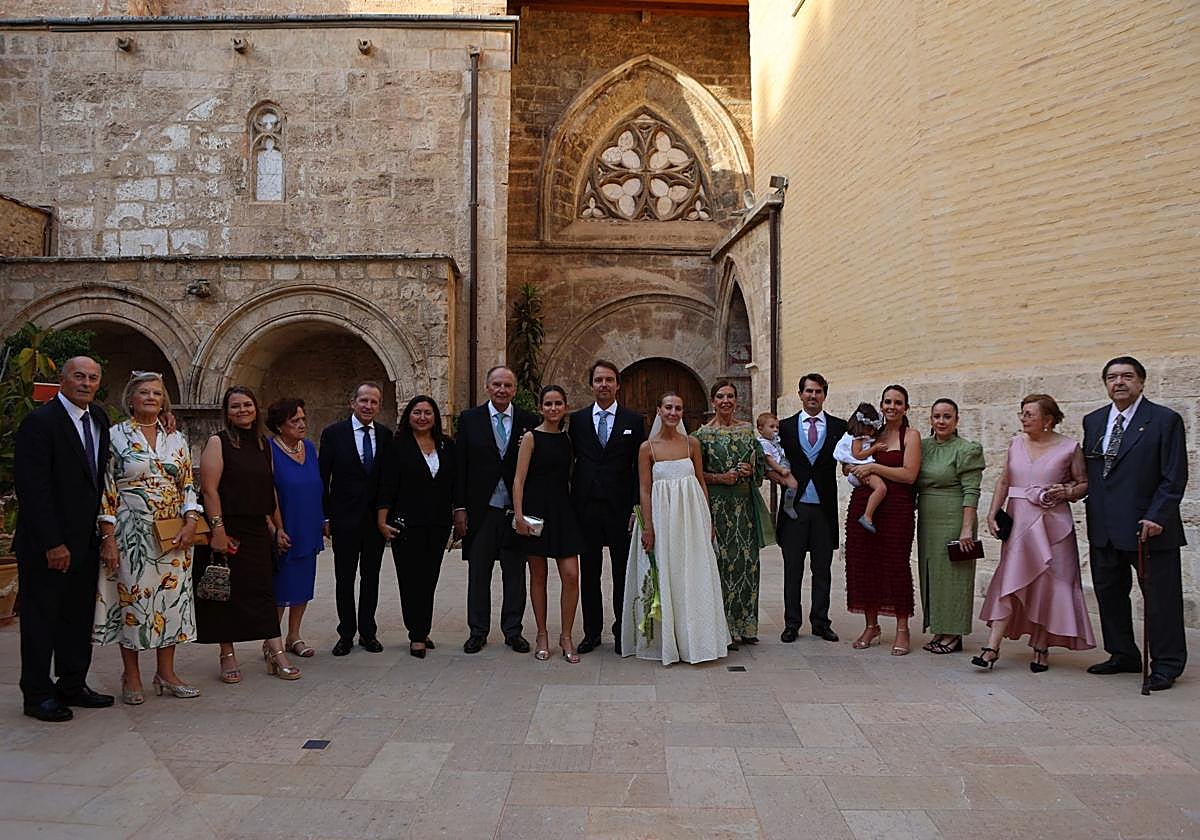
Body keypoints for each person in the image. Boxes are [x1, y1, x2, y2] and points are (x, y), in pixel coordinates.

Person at [15, 356, 114, 722]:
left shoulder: (99, 418)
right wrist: (52, 543)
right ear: (63, 379)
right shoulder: (40, 422)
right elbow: (32, 488)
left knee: (77, 618)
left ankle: (72, 684)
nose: (86, 383)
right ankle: (37, 694)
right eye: (79, 376)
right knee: (42, 620)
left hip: (85, 541)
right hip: (48, 545)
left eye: (93, 378)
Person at [93, 372, 202, 703]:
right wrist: (108, 537)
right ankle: (132, 674)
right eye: (144, 392)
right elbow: (106, 490)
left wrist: (191, 521)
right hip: (132, 534)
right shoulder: (115, 436)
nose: (151, 397)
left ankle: (166, 673)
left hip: (173, 533)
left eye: (156, 393)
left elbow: (187, 483)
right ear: (131, 399)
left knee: (170, 602)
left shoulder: (176, 437)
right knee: (133, 602)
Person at [1083, 357, 1188, 690]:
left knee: (1161, 600)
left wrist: (1158, 515)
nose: (1119, 382)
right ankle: (1122, 654)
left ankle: (1167, 664)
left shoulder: (1164, 420)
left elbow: (1174, 476)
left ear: (1141, 382)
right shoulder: (1094, 421)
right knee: (1109, 594)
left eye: (1127, 376)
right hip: (1104, 526)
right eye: (1112, 377)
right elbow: (1094, 473)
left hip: (1148, 527)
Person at [974, 394, 1095, 671]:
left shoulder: (1070, 447)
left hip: (1054, 526)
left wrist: (1067, 492)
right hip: (1019, 523)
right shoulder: (1015, 443)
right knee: (1010, 579)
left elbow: (1083, 483)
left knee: (1048, 584)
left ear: (1048, 419)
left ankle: (1041, 645)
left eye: (1029, 414)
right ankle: (992, 647)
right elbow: (1004, 480)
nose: (1023, 418)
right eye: (1022, 413)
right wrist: (992, 512)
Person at [196, 386, 301, 682]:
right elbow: (209, 489)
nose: (242, 410)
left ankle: (275, 651)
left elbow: (268, 490)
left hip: (256, 529)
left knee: (263, 592)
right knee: (225, 593)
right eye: (235, 406)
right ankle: (227, 655)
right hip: (227, 528)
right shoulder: (218, 442)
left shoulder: (263, 443)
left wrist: (276, 527)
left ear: (256, 409)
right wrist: (218, 530)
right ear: (227, 412)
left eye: (247, 405)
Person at [621, 392, 730, 664]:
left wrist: (707, 519)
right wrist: (648, 527)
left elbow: (700, 481)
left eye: (678, 408)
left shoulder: (692, 444)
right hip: (662, 519)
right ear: (659, 410)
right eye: (668, 407)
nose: (673, 413)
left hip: (691, 519)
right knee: (666, 572)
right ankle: (666, 642)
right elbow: (645, 489)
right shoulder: (647, 448)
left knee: (692, 573)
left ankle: (697, 641)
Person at [453, 366, 538, 654]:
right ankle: (478, 631)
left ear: (515, 390)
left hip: (514, 512)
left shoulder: (528, 421)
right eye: (497, 384)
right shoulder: (470, 419)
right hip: (482, 510)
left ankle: (513, 631)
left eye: (508, 385)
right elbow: (461, 466)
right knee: (479, 573)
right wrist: (460, 508)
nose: (502, 390)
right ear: (487, 387)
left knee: (515, 574)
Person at [568, 359, 645, 655]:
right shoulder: (577, 420)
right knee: (589, 573)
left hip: (620, 508)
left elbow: (640, 468)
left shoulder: (633, 421)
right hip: (586, 507)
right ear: (591, 385)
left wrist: (636, 506)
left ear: (618, 385)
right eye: (599, 380)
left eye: (609, 380)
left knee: (622, 572)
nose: (604, 385)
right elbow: (571, 462)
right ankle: (591, 632)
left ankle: (622, 630)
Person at [377, 395, 455, 659]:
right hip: (406, 524)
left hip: (438, 524)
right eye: (417, 412)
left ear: (435, 417)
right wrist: (382, 520)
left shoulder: (446, 445)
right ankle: (417, 634)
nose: (422, 417)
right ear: (408, 416)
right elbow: (387, 485)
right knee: (410, 579)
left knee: (429, 578)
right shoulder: (397, 445)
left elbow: (453, 483)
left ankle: (422, 628)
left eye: (428, 413)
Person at [844, 385, 921, 655]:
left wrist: (874, 467)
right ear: (881, 405)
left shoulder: (911, 436)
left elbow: (909, 475)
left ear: (906, 407)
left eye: (898, 402)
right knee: (864, 564)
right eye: (887, 402)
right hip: (864, 504)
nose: (892, 407)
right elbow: (850, 459)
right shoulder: (871, 432)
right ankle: (871, 625)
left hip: (897, 507)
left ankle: (902, 628)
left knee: (896, 565)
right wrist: (850, 466)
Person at [319, 381, 392, 656]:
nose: (368, 406)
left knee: (371, 578)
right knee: (345, 578)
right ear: (353, 403)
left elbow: (387, 479)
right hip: (344, 519)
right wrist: (325, 516)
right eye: (364, 400)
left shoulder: (385, 435)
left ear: (379, 406)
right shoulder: (333, 434)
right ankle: (346, 633)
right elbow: (323, 478)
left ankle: (368, 632)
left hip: (374, 522)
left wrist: (386, 514)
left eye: (374, 402)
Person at [694, 380, 769, 647]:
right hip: (716, 507)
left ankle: (746, 625)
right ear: (712, 401)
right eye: (720, 396)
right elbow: (694, 474)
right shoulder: (701, 436)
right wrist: (719, 478)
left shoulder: (747, 430)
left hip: (744, 508)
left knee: (747, 563)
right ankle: (723, 629)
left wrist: (751, 470)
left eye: (730, 396)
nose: (726, 401)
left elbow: (760, 466)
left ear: (736, 400)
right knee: (721, 565)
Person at [512, 385, 584, 662]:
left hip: (563, 512)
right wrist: (519, 516)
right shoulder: (531, 437)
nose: (553, 408)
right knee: (538, 575)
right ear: (540, 408)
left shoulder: (567, 439)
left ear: (565, 407)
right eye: (548, 404)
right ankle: (541, 634)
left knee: (571, 575)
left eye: (558, 404)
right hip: (535, 512)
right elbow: (519, 479)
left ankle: (566, 635)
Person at [774, 373, 846, 644]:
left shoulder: (839, 427)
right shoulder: (785, 427)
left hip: (824, 509)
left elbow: (851, 455)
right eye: (808, 391)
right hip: (795, 509)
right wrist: (783, 478)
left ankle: (821, 622)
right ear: (800, 394)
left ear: (824, 395)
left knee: (822, 569)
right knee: (793, 569)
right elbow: (771, 460)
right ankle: (792, 623)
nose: (813, 396)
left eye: (818, 392)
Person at [915, 398, 985, 655]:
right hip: (928, 521)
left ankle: (953, 633)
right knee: (933, 574)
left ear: (957, 420)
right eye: (937, 416)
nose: (941, 421)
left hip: (955, 518)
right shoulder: (922, 446)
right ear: (931, 419)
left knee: (955, 576)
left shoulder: (966, 449)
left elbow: (971, 491)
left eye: (947, 416)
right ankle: (940, 627)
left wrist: (966, 529)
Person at [266, 398, 324, 660]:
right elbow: (270, 493)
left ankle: (294, 636)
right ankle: (272, 640)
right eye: (294, 421)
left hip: (308, 524)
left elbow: (316, 485)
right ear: (280, 426)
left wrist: (322, 520)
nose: (302, 424)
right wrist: (276, 528)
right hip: (286, 526)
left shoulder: (308, 447)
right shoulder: (270, 450)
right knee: (281, 588)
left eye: (303, 418)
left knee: (303, 585)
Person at [833, 402, 889, 533]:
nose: (872, 431)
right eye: (870, 428)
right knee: (881, 488)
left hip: (859, 469)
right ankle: (867, 516)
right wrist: (874, 448)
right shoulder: (857, 438)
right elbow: (857, 455)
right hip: (860, 468)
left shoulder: (862, 437)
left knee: (880, 488)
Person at [755, 412, 798, 519]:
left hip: (781, 464)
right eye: (771, 427)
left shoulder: (772, 441)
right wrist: (781, 470)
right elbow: (769, 460)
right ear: (760, 429)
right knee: (793, 485)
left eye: (777, 427)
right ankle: (788, 506)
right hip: (775, 468)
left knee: (792, 484)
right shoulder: (764, 444)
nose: (775, 430)